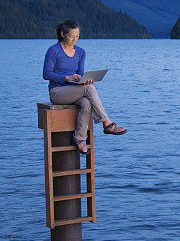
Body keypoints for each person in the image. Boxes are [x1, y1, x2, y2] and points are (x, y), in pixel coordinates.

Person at [43, 20, 126, 155]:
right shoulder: (53, 50)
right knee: (90, 90)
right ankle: (107, 123)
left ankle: (79, 140)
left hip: (73, 91)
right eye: (71, 36)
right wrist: (66, 78)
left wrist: (84, 81)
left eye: (77, 36)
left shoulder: (81, 52)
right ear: (62, 34)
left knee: (87, 103)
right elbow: (46, 74)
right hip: (57, 92)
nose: (75, 39)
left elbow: (80, 74)